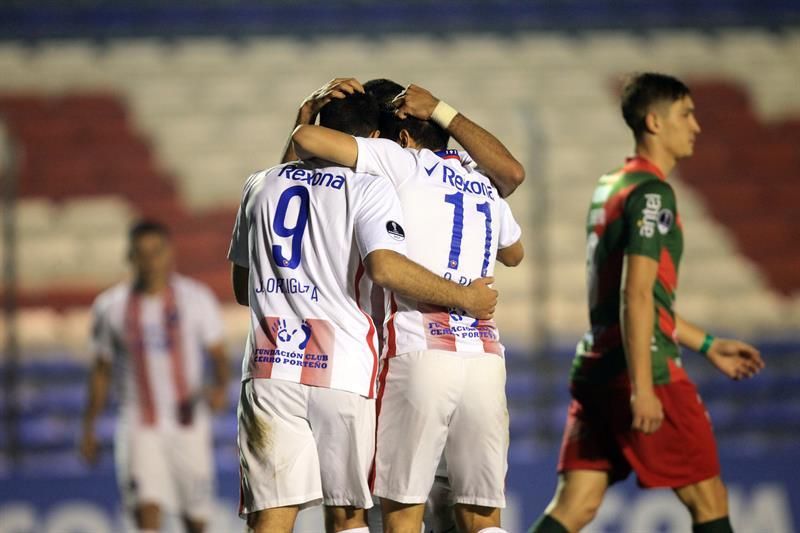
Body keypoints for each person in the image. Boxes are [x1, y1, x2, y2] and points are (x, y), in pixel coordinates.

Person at [229, 91, 497, 533]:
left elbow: (244, 290)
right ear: (374, 138)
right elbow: (386, 267)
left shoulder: (259, 184)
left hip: (270, 365)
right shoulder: (370, 187)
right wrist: (464, 296)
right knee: (349, 517)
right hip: (343, 367)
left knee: (270, 518)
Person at [529, 72, 765, 533]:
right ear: (655, 122)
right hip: (643, 367)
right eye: (686, 114)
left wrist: (708, 343)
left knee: (576, 504)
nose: (696, 126)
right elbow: (635, 294)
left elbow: (637, 296)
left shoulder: (610, 186)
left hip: (597, 364)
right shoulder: (654, 194)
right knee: (709, 498)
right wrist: (643, 387)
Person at [291, 82, 525, 533]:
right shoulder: (480, 181)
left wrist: (308, 112)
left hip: (420, 347)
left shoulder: (402, 162)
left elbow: (308, 141)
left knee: (402, 514)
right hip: (483, 359)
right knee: (482, 517)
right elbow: (513, 252)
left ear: (399, 135)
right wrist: (443, 109)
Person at [80, 220, 230, 533]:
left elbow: (218, 354)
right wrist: (89, 427)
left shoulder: (196, 299)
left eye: (155, 252)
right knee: (146, 511)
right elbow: (101, 369)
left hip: (188, 422)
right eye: (141, 254)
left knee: (196, 519)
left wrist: (219, 388)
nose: (149, 261)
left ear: (168, 254)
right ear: (130, 257)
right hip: (139, 424)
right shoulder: (111, 307)